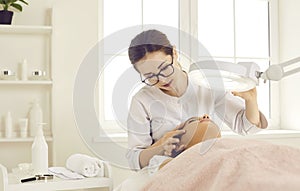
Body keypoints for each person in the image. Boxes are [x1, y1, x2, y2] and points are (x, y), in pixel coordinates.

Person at [126, 29, 268, 171]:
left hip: (206, 166)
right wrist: (161, 146)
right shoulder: (142, 100)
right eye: (150, 76)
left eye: (164, 68)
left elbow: (245, 126)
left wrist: (251, 100)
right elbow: (134, 159)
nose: (161, 79)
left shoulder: (206, 85)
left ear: (174, 53)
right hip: (166, 171)